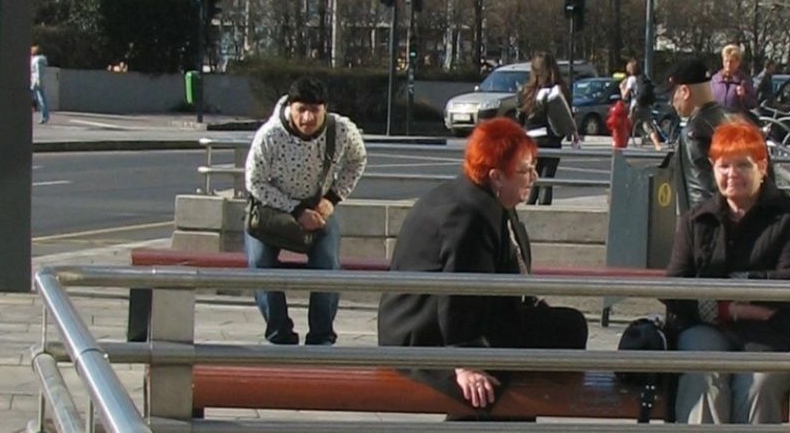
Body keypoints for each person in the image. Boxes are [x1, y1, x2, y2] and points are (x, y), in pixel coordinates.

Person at [378, 117, 589, 409]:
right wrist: (464, 361)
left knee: (565, 328)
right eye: (525, 170)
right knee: (566, 331)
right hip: (426, 334)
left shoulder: (481, 197)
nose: (534, 177)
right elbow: (458, 294)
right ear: (497, 177)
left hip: (454, 321)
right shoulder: (468, 216)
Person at [664, 120, 790, 424]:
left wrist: (724, 285)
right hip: (704, 326)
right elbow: (675, 288)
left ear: (762, 166)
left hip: (769, 333)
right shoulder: (696, 219)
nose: (732, 174)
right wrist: (732, 308)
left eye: (743, 165)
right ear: (712, 167)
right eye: (724, 166)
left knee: (758, 384)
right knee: (703, 375)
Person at [243, 75, 369, 344]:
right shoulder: (270, 135)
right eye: (302, 110)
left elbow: (357, 160)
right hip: (270, 210)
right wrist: (296, 210)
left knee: (328, 266)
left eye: (315, 110)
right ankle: (280, 334)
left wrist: (332, 199)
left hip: (317, 208)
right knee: (260, 264)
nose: (308, 118)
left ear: (325, 109)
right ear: (290, 107)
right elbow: (254, 181)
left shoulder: (342, 130)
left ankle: (321, 337)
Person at [668, 58, 738, 209]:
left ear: (685, 91)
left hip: (710, 227)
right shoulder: (739, 119)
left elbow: (701, 197)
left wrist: (695, 230)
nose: (671, 102)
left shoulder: (694, 134)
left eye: (672, 95)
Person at [516, 52, 579, 206]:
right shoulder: (560, 90)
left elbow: (520, 117)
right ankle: (544, 208)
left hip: (531, 140)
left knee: (532, 179)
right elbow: (566, 115)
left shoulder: (527, 90)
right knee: (547, 179)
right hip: (552, 139)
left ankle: (530, 209)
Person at [710, 44, 757, 113]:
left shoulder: (744, 80)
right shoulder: (715, 80)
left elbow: (753, 103)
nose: (728, 64)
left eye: (732, 61)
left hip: (736, 121)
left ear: (738, 63)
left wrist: (744, 96)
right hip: (717, 120)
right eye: (726, 61)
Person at [29, 44, 50, 124]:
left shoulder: (37, 60)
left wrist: (38, 80)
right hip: (39, 80)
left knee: (30, 95)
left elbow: (37, 71)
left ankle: (34, 107)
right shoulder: (41, 60)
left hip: (35, 81)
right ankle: (45, 116)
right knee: (42, 99)